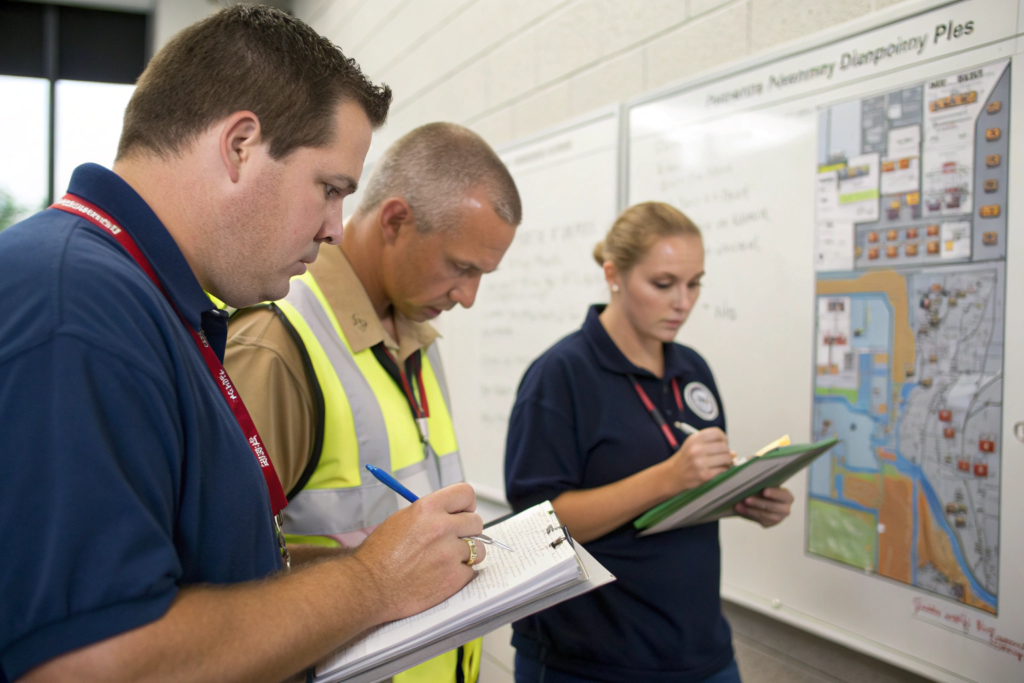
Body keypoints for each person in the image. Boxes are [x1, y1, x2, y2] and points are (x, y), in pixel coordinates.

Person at [0, 7, 487, 683]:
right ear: (240, 146)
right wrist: (371, 583)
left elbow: (206, 572)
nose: (335, 228)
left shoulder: (148, 298)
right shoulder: (76, 307)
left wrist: (373, 564)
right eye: (329, 189)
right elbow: (93, 663)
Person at [224, 122, 521, 683]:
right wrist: (373, 571)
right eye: (461, 267)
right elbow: (227, 581)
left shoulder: (418, 335)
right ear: (395, 220)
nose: (468, 297)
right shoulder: (277, 345)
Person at [503, 202, 795, 683]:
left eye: (695, 284)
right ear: (613, 275)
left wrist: (740, 497)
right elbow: (536, 526)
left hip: (699, 649)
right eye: (663, 284)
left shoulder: (692, 368)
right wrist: (667, 477)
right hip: (592, 660)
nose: (683, 302)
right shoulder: (561, 374)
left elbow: (687, 496)